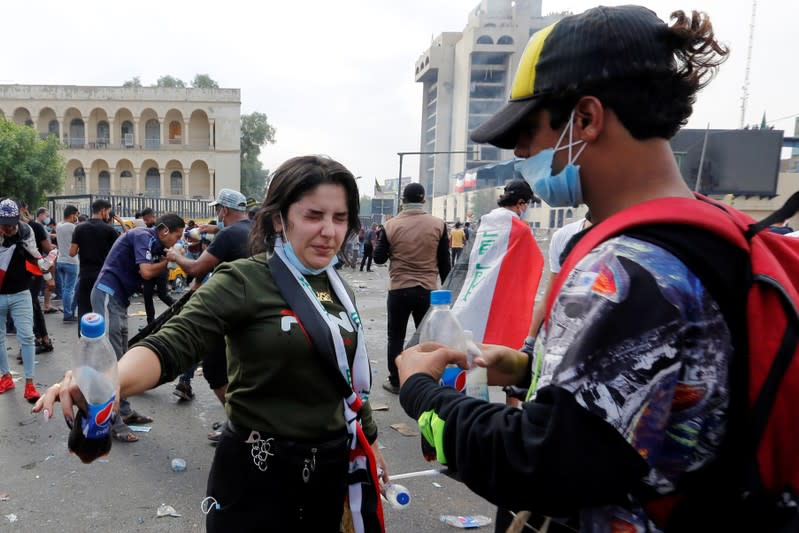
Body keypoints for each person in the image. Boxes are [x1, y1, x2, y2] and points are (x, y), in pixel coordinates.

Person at [396, 6, 736, 532]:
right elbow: (635, 397)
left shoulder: (628, 270)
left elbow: (540, 464)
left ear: (586, 119)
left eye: (528, 132)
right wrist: (522, 366)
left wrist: (423, 393)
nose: (521, 153)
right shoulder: (709, 232)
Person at [36, 155, 390, 532]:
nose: (329, 231)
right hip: (257, 473)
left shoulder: (339, 289)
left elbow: (350, 384)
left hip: (328, 472)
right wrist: (108, 380)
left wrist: (370, 444)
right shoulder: (244, 280)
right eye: (314, 215)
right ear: (278, 219)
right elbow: (174, 341)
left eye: (340, 218)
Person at [90, 213, 185, 443]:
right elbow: (146, 272)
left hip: (120, 299)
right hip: (107, 292)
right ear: (164, 231)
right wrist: (170, 261)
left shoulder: (153, 242)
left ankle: (123, 410)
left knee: (122, 359)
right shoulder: (143, 235)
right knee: (111, 360)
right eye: (176, 236)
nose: (176, 241)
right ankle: (112, 420)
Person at [167, 188, 251, 408]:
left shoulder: (228, 234)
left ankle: (238, 422)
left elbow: (195, 267)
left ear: (224, 210)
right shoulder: (254, 230)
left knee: (214, 369)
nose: (218, 215)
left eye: (218, 210)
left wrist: (176, 256)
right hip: (254, 312)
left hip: (229, 312)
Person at [373, 182, 450, 394]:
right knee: (427, 338)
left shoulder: (391, 225)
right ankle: (426, 380)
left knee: (395, 337)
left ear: (403, 201)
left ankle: (396, 381)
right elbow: (445, 264)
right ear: (423, 200)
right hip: (427, 291)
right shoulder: (438, 224)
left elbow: (378, 258)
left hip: (399, 290)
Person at [0, 198, 41, 402]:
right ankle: (5, 377)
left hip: (20, 293)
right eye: (3, 224)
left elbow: (35, 256)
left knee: (26, 337)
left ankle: (30, 383)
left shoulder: (25, 232)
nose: (7, 228)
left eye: (10, 223)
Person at [70, 199, 119, 323]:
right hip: (103, 276)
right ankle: (99, 338)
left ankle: (83, 337)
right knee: (101, 310)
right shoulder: (109, 230)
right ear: (103, 211)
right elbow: (118, 252)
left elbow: (72, 252)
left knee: (84, 309)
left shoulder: (79, 228)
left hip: (85, 274)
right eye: (108, 211)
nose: (108, 214)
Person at [139, 208, 174, 323]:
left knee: (162, 295)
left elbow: (169, 248)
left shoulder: (163, 230)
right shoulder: (146, 232)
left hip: (160, 268)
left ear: (153, 217)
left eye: (147, 219)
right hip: (149, 268)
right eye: (144, 220)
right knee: (147, 295)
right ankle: (151, 323)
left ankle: (180, 309)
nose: (145, 222)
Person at [28, 207, 55, 353]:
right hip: (23, 276)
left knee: (30, 307)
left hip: (32, 274)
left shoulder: (31, 228)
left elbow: (42, 254)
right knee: (33, 306)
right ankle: (43, 339)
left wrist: (49, 277)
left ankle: (38, 339)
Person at [56, 205, 80, 322]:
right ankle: (68, 313)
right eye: (76, 215)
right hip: (72, 261)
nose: (77, 217)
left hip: (60, 260)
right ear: (72, 215)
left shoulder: (59, 226)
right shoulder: (73, 227)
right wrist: (77, 221)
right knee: (69, 289)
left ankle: (68, 310)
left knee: (66, 288)